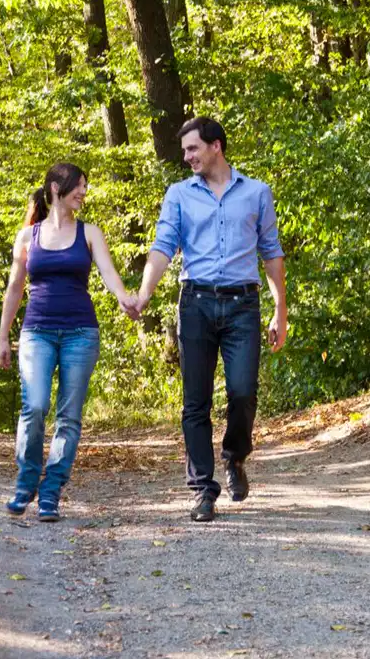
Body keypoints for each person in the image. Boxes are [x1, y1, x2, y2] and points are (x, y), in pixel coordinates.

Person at [129, 117, 288, 522]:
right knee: (194, 402)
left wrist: (279, 310)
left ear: (216, 146)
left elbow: (271, 254)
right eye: (185, 151)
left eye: (192, 149)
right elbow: (163, 246)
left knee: (242, 392)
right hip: (195, 303)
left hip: (242, 306)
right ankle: (203, 489)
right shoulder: (179, 195)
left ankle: (235, 457)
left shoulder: (257, 193)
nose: (186, 157)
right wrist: (144, 293)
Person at [0, 163, 134, 522]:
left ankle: (51, 492)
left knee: (68, 418)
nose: (84, 193)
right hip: (36, 331)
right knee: (35, 405)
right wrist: (2, 336)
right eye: (79, 187)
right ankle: (26, 482)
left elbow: (108, 273)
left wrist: (126, 299)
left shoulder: (90, 233)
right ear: (57, 187)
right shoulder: (28, 237)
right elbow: (14, 289)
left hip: (80, 333)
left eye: (85, 187)